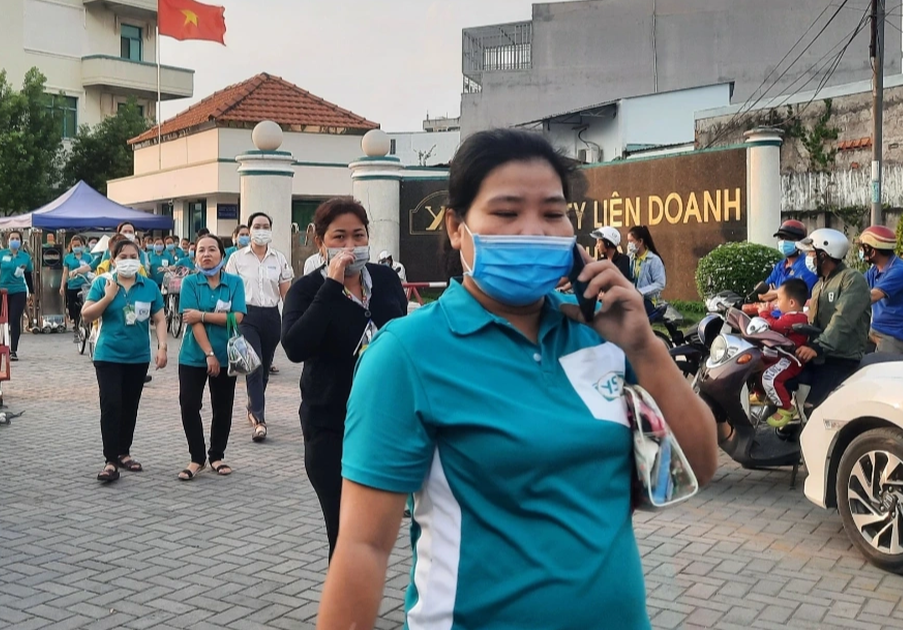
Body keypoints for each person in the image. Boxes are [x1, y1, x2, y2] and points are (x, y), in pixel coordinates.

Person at [315, 129, 717, 628]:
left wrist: (643, 347)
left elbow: (697, 467)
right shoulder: (408, 354)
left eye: (553, 213)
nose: (534, 231)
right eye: (506, 213)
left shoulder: (601, 338)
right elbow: (363, 548)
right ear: (457, 227)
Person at [281, 198, 408, 559]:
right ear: (321, 243)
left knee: (374, 525)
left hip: (386, 422)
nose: (351, 246)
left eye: (358, 235)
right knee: (344, 526)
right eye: (339, 237)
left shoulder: (384, 280)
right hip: (330, 424)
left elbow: (402, 333)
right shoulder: (308, 290)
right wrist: (332, 288)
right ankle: (347, 610)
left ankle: (357, 600)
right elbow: (294, 345)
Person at [81, 239, 168, 482]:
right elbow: (86, 315)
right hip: (108, 355)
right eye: (123, 256)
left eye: (133, 256)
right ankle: (110, 460)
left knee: (130, 406)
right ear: (113, 259)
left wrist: (162, 346)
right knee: (111, 405)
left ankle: (124, 452)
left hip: (138, 357)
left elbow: (159, 319)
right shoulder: (103, 283)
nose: (128, 260)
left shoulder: (149, 286)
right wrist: (108, 297)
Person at [176, 234, 246, 481]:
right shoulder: (190, 284)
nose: (206, 255)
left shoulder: (235, 283)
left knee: (222, 407)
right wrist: (209, 354)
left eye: (212, 250)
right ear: (195, 257)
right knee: (189, 405)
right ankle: (197, 458)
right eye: (201, 251)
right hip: (194, 355)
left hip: (227, 355)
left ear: (222, 255)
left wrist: (202, 315)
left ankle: (217, 455)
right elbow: (190, 320)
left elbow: (237, 317)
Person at [226, 212, 293, 442]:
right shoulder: (237, 259)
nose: (261, 229)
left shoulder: (279, 259)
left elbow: (286, 293)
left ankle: (253, 404)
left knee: (263, 369)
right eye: (257, 226)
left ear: (271, 230)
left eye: (265, 226)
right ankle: (259, 420)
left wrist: (294, 318)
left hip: (271, 317)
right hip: (247, 315)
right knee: (252, 366)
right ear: (250, 229)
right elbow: (230, 289)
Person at [795, 228, 872, 408]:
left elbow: (842, 320)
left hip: (841, 358)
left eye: (812, 253)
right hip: (821, 355)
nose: (809, 258)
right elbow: (812, 322)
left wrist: (819, 346)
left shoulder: (852, 280)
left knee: (813, 406)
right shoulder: (819, 285)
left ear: (824, 255)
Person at [859, 226, 903, 356]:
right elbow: (855, 286)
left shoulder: (899, 271)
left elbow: (872, 296)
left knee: (879, 371)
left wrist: (847, 302)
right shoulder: (875, 271)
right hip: (878, 330)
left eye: (863, 248)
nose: (861, 251)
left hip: (899, 336)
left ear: (873, 252)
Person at [756, 278, 810, 428]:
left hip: (790, 360)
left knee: (770, 377)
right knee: (756, 362)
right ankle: (761, 393)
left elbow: (774, 326)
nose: (777, 302)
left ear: (792, 303)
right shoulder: (789, 316)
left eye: (779, 299)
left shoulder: (797, 318)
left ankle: (787, 408)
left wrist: (764, 313)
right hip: (780, 355)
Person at [0, 230, 34, 361]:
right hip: (2, 291)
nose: (14, 240)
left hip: (19, 291)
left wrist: (31, 292)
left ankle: (13, 350)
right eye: (12, 238)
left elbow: (28, 276)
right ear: (7, 241)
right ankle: (4, 346)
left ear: (20, 242)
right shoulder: (0, 255)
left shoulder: (25, 257)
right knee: (4, 320)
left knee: (15, 320)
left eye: (17, 238)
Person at [757, 220, 818, 305]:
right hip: (772, 315)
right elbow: (761, 295)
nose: (783, 242)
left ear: (800, 242)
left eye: (789, 239)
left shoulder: (808, 266)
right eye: (782, 238)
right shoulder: (779, 266)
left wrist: (774, 292)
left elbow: (794, 299)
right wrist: (782, 293)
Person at [626, 225, 666, 317]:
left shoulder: (654, 260)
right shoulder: (629, 258)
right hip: (632, 299)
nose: (629, 245)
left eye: (631, 241)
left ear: (640, 241)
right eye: (628, 241)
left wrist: (640, 292)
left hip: (648, 302)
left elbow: (660, 284)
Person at [62, 236, 94, 339]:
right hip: (72, 285)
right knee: (73, 307)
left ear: (82, 245)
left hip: (85, 284)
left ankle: (88, 324)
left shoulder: (88, 257)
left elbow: (92, 268)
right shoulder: (68, 258)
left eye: (78, 245)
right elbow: (65, 272)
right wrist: (62, 285)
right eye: (74, 245)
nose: (76, 247)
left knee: (87, 304)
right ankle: (76, 324)